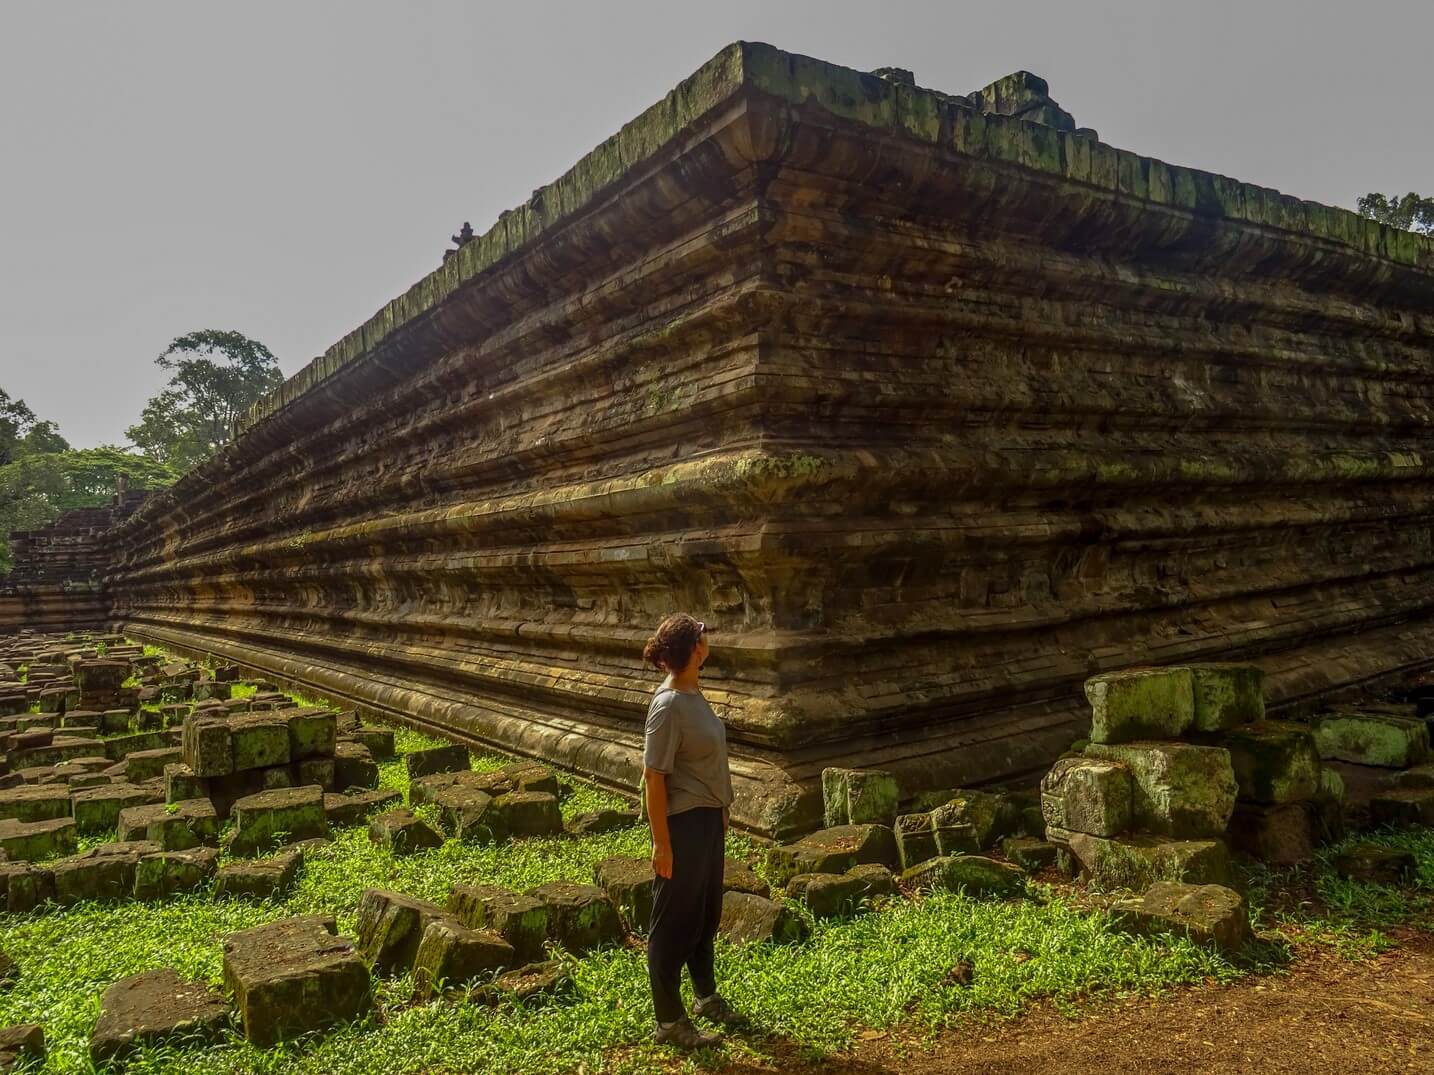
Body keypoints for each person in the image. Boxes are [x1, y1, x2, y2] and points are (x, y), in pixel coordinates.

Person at [641, 612, 741, 1049]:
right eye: (703, 635)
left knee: (704, 915)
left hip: (707, 820)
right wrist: (661, 843)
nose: (708, 639)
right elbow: (653, 778)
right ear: (694, 649)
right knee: (672, 924)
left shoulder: (693, 695)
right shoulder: (667, 706)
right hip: (682, 824)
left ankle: (706, 996)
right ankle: (668, 1021)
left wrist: (721, 808)